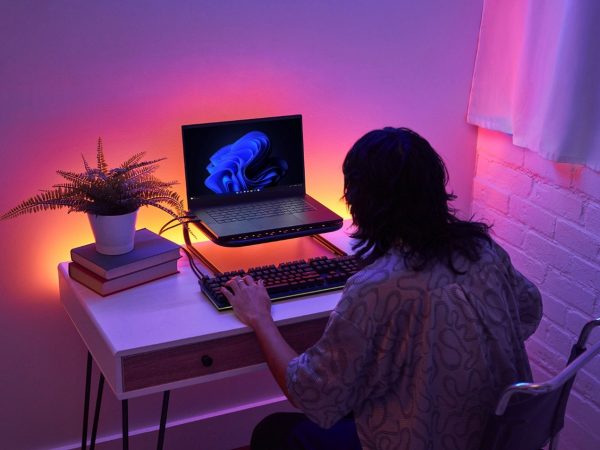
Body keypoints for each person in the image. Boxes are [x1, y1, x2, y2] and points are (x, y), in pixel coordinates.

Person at [221, 127, 543, 450]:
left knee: (272, 431)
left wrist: (260, 317)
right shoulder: (483, 251)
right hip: (497, 435)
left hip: (419, 440)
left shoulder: (375, 289)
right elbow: (529, 310)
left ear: (361, 202)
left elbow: (307, 391)